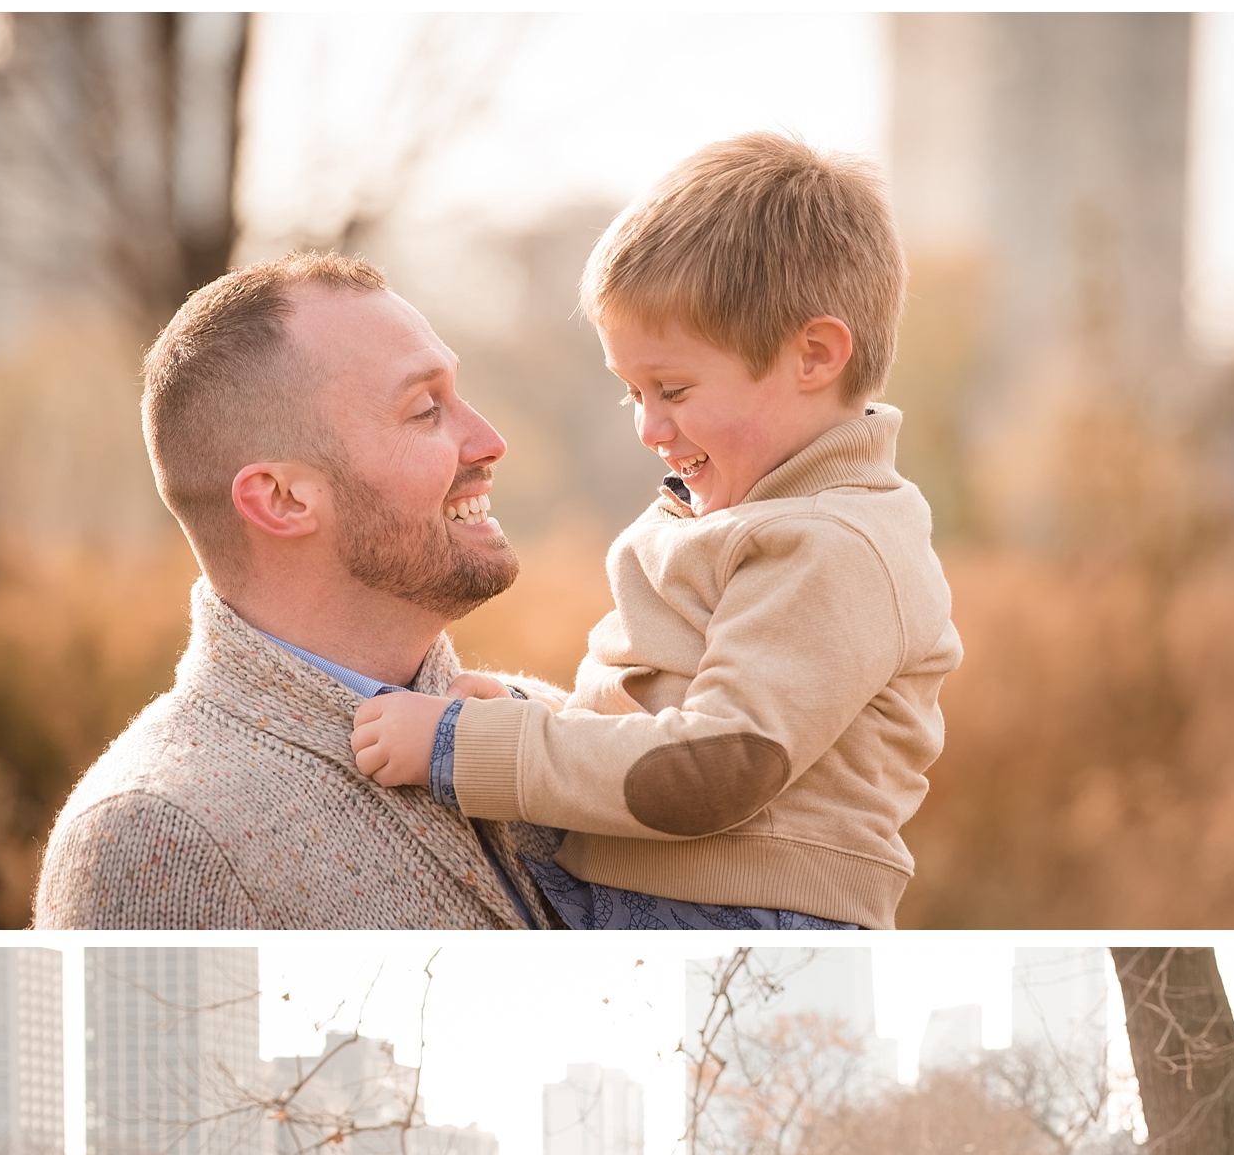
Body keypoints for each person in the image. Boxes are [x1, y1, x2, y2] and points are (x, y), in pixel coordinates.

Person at [348, 131, 962, 933]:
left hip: (740, 915)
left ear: (814, 354)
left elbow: (711, 769)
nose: (649, 427)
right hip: (664, 892)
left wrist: (467, 749)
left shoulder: (833, 545)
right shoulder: (747, 513)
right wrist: (545, 711)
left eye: (671, 388)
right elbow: (677, 716)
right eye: (631, 392)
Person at [34, 252, 567, 929]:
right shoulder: (156, 838)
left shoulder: (554, 732)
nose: (491, 441)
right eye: (427, 410)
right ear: (282, 499)